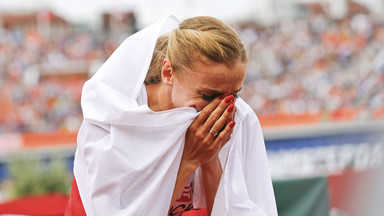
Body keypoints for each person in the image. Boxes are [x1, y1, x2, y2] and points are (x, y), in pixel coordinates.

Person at [65, 15, 277, 216]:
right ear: (168, 73)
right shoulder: (115, 121)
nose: (221, 106)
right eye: (207, 95)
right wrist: (190, 160)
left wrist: (211, 158)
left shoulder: (237, 116)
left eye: (234, 94)